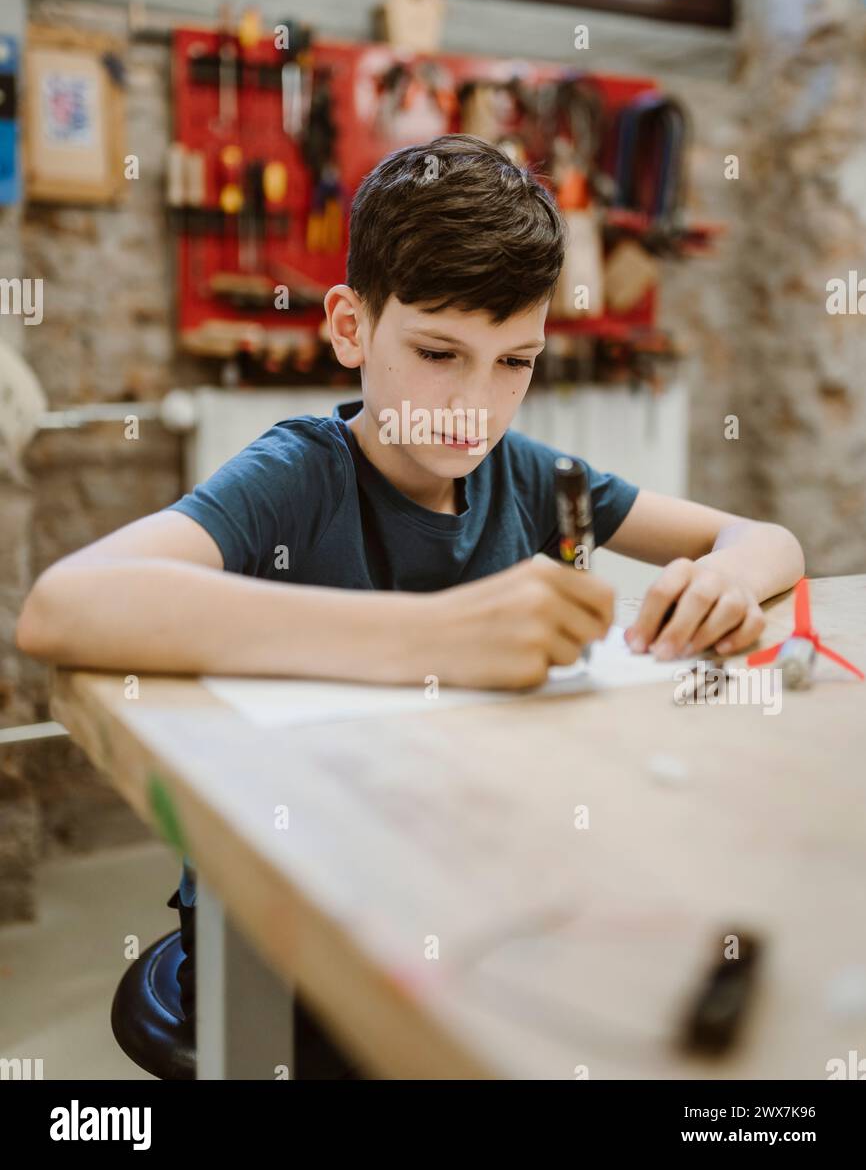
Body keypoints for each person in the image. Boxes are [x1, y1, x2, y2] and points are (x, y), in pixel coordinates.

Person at [16, 133, 805, 1076]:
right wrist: (436, 638)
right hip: (291, 920)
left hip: (475, 883)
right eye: (439, 352)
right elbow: (62, 606)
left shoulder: (533, 478)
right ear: (351, 328)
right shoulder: (298, 475)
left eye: (515, 362)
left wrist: (720, 577)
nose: (475, 403)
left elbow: (769, 543)